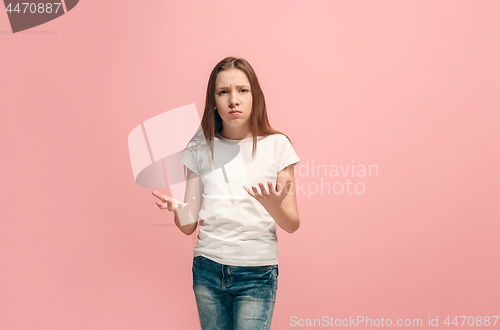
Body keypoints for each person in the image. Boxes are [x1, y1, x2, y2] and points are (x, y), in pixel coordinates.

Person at [152, 57, 301, 330]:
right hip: (207, 270)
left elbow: (291, 223)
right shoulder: (199, 149)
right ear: (213, 102)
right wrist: (179, 211)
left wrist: (273, 205)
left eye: (242, 90)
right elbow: (188, 226)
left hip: (257, 273)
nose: (234, 100)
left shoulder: (278, 145)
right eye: (223, 92)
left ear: (255, 96)